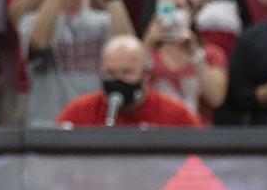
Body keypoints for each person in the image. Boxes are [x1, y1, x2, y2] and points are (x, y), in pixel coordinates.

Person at [56, 35, 202, 127]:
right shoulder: (78, 112)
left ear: (145, 74)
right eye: (110, 73)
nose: (118, 80)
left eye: (127, 73)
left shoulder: (176, 115)